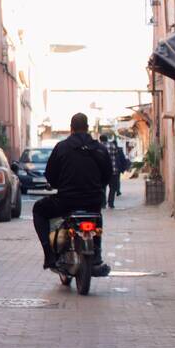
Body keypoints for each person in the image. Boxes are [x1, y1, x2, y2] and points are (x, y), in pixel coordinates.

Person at [32, 113, 113, 274]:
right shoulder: (99, 148)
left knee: (38, 210)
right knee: (97, 217)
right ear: (88, 128)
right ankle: (96, 255)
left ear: (71, 129)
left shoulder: (62, 147)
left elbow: (51, 174)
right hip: (93, 201)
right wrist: (97, 188)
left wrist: (56, 184)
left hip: (66, 201)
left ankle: (49, 255)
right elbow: (108, 175)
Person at [101, 134, 127, 208]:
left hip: (102, 172)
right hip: (113, 170)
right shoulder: (112, 145)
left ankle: (103, 204)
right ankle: (111, 203)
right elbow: (116, 155)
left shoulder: (98, 146)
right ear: (107, 139)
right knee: (113, 188)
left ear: (100, 140)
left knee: (103, 188)